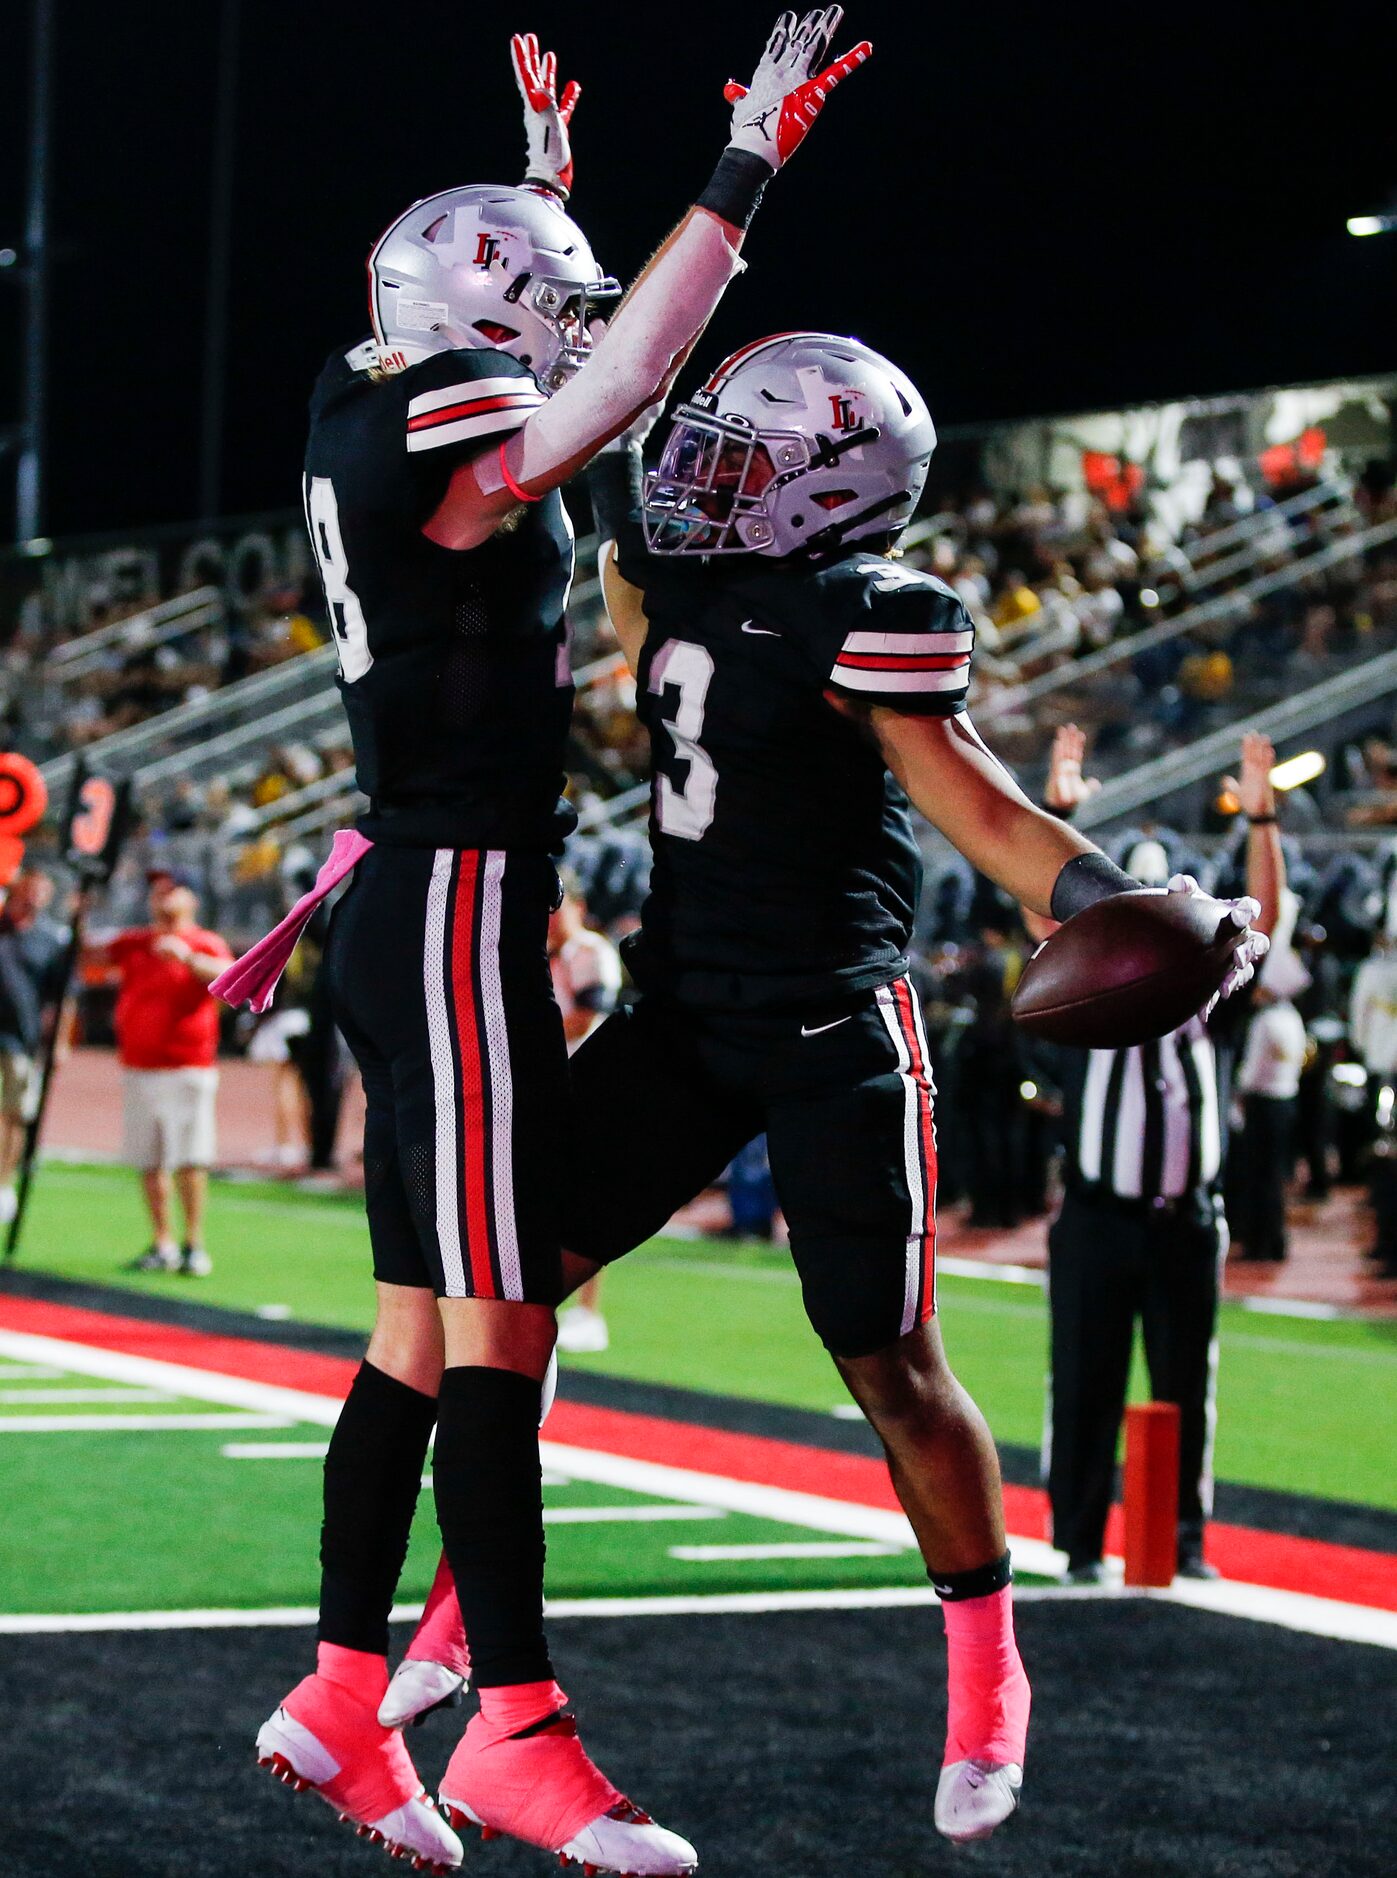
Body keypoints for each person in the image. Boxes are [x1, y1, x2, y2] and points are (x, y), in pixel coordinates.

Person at [385, 337, 1266, 1846]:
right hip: (680, 1007)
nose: (698, 477)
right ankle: (474, 1608)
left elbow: (975, 796)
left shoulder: (870, 621)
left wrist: (1116, 895)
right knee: (511, 1289)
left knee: (885, 1356)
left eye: (741, 462)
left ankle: (988, 1669)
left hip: (826, 1024)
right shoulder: (674, 558)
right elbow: (622, 520)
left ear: (833, 494)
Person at [215, 18, 873, 1876]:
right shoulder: (425, 398)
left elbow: (555, 363)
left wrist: (543, 203)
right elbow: (618, 370)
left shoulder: (397, 379)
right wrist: (741, 161)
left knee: (425, 1329)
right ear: (465, 314)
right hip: (443, 900)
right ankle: (514, 1726)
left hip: (433, 894)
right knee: (498, 1325)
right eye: (542, 297)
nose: (574, 325)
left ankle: (347, 1698)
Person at [1031, 726, 1281, 1585]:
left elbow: (1266, 927)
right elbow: (1039, 915)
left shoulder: (1209, 985)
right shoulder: (1086, 986)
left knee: (1184, 1387)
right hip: (1099, 1217)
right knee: (1085, 1382)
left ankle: (1180, 1541)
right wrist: (1057, 811)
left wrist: (1260, 819)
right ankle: (1076, 1544)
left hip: (1185, 1220)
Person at [96, 869, 232, 1276]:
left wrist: (188, 958)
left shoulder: (203, 942)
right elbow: (89, 952)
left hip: (187, 1065)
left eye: (172, 890)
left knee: (190, 1156)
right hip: (140, 1064)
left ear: (191, 898)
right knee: (149, 1159)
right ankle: (162, 1241)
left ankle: (194, 1242)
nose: (162, 897)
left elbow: (230, 979)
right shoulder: (137, 941)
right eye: (157, 891)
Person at [549, 876, 621, 1354]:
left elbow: (585, 1015)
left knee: (585, 1197)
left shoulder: (587, 951)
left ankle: (588, 1312)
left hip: (590, 1084)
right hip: (560, 1085)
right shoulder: (554, 957)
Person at [1232, 895, 1309, 1263]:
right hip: (1287, 1101)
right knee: (1275, 1177)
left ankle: (1260, 1241)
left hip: (1264, 1102)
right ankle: (1274, 1240)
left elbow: (1250, 1070)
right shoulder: (1293, 1019)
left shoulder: (1265, 1022)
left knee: (1259, 1177)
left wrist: (1239, 1094)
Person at [0, 871, 71, 1225]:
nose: (34, 897)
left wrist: (59, 1041)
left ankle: (3, 1183)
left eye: (43, 891)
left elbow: (63, 996)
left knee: (14, 1114)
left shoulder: (49, 939)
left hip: (19, 1038)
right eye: (31, 888)